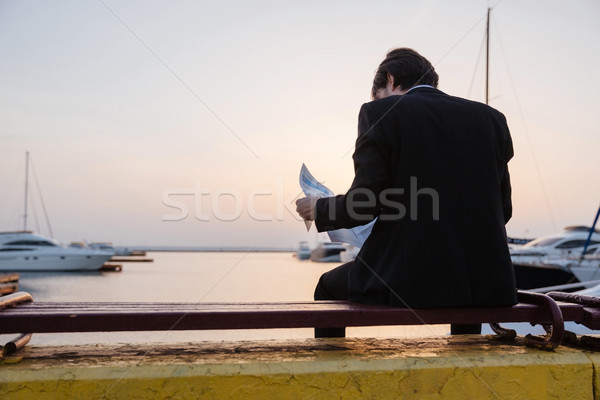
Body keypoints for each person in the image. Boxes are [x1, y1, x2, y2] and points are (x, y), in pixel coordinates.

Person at [295, 48, 517, 337]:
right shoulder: (491, 119)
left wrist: (318, 208)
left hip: (412, 280)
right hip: (489, 283)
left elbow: (363, 204)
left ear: (389, 79)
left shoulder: (379, 113)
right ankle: (465, 356)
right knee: (463, 296)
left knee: (327, 288)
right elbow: (504, 210)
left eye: (378, 95)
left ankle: (329, 374)